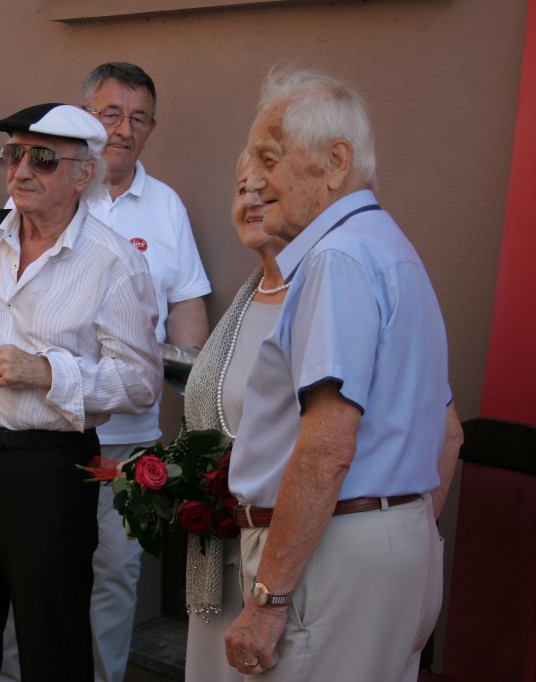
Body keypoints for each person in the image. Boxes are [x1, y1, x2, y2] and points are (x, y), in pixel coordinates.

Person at [222, 68, 464, 681]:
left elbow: (327, 445)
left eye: (270, 157)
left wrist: (269, 601)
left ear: (335, 162)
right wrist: (395, 523)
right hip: (391, 541)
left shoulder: (335, 256)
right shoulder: (391, 249)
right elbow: (447, 429)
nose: (256, 177)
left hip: (334, 553)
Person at [0, 103, 162, 682]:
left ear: (83, 173)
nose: (21, 171)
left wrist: (48, 372)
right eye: (13, 154)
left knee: (51, 643)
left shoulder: (114, 262)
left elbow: (140, 383)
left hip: (47, 470)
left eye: (43, 158)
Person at [0, 62, 212, 682]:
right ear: (83, 119)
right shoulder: (40, 189)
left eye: (138, 118)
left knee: (114, 572)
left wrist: (184, 393)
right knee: (30, 569)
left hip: (127, 436)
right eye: (110, 114)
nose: (123, 129)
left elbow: (188, 309)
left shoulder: (166, 206)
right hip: (43, 430)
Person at [181, 151, 287, 682]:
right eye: (242, 187)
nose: (250, 199)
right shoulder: (248, 298)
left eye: (265, 187)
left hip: (282, 560)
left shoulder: (324, 295)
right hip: (219, 553)